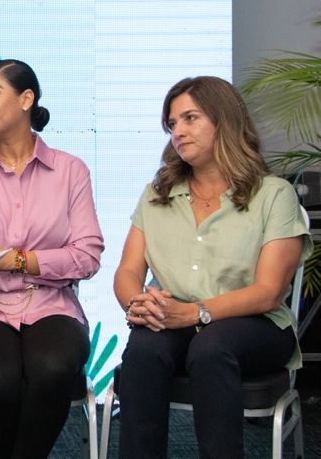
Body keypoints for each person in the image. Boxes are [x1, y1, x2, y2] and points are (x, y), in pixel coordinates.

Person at [113, 76, 312, 458]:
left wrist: (195, 313)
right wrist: (137, 304)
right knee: (144, 350)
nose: (178, 132)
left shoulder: (274, 194)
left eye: (190, 118)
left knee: (211, 346)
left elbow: (269, 292)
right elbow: (128, 271)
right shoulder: (157, 195)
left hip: (256, 324)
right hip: (175, 317)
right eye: (172, 124)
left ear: (225, 120)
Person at [0, 59, 104, 459]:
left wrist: (15, 260)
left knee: (52, 367)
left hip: (52, 303)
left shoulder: (70, 171)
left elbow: (87, 255)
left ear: (26, 99)